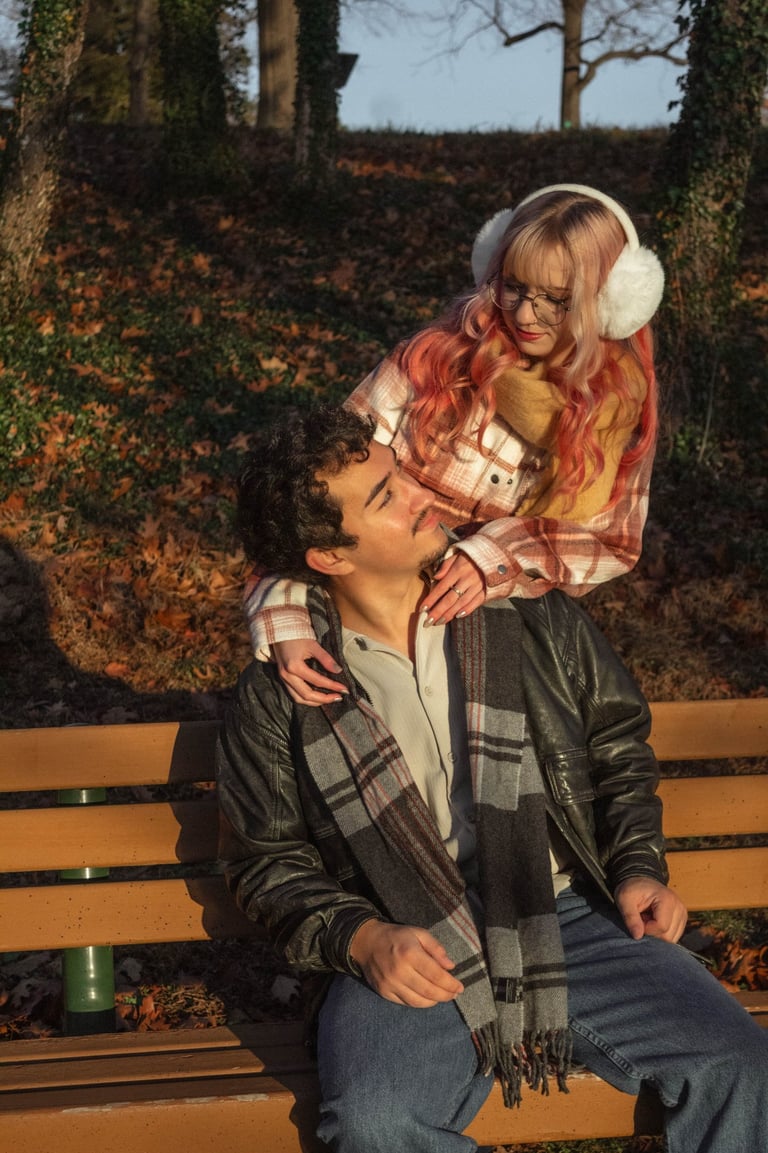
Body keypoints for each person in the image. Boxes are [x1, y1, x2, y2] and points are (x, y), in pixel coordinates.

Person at [217, 405, 767, 1153]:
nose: (421, 494)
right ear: (329, 556)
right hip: (411, 937)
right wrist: (363, 937)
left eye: (400, 475)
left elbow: (615, 741)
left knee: (740, 1062)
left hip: (565, 911)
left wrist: (637, 865)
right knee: (375, 1124)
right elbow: (267, 861)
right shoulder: (282, 689)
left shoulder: (526, 611)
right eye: (385, 496)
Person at [243, 184, 665, 705]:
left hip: (498, 655)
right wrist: (283, 613)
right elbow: (312, 494)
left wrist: (500, 553)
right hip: (360, 628)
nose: (526, 316)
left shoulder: (619, 407)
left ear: (610, 301)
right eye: (514, 287)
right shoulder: (431, 362)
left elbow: (611, 543)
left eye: (556, 301)